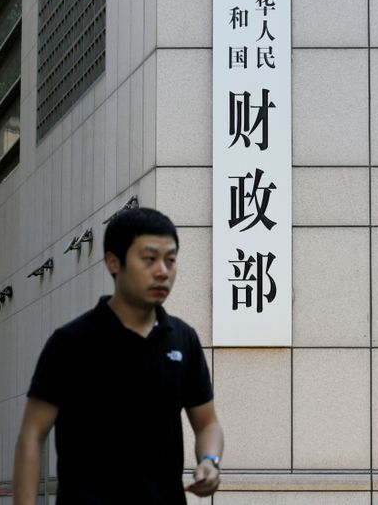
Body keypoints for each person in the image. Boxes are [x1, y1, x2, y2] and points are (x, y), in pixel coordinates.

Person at [13, 207, 224, 504]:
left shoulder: (182, 339)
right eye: (149, 259)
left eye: (170, 260)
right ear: (114, 262)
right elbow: (32, 435)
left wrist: (209, 461)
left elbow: (207, 423)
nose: (162, 271)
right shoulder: (71, 342)